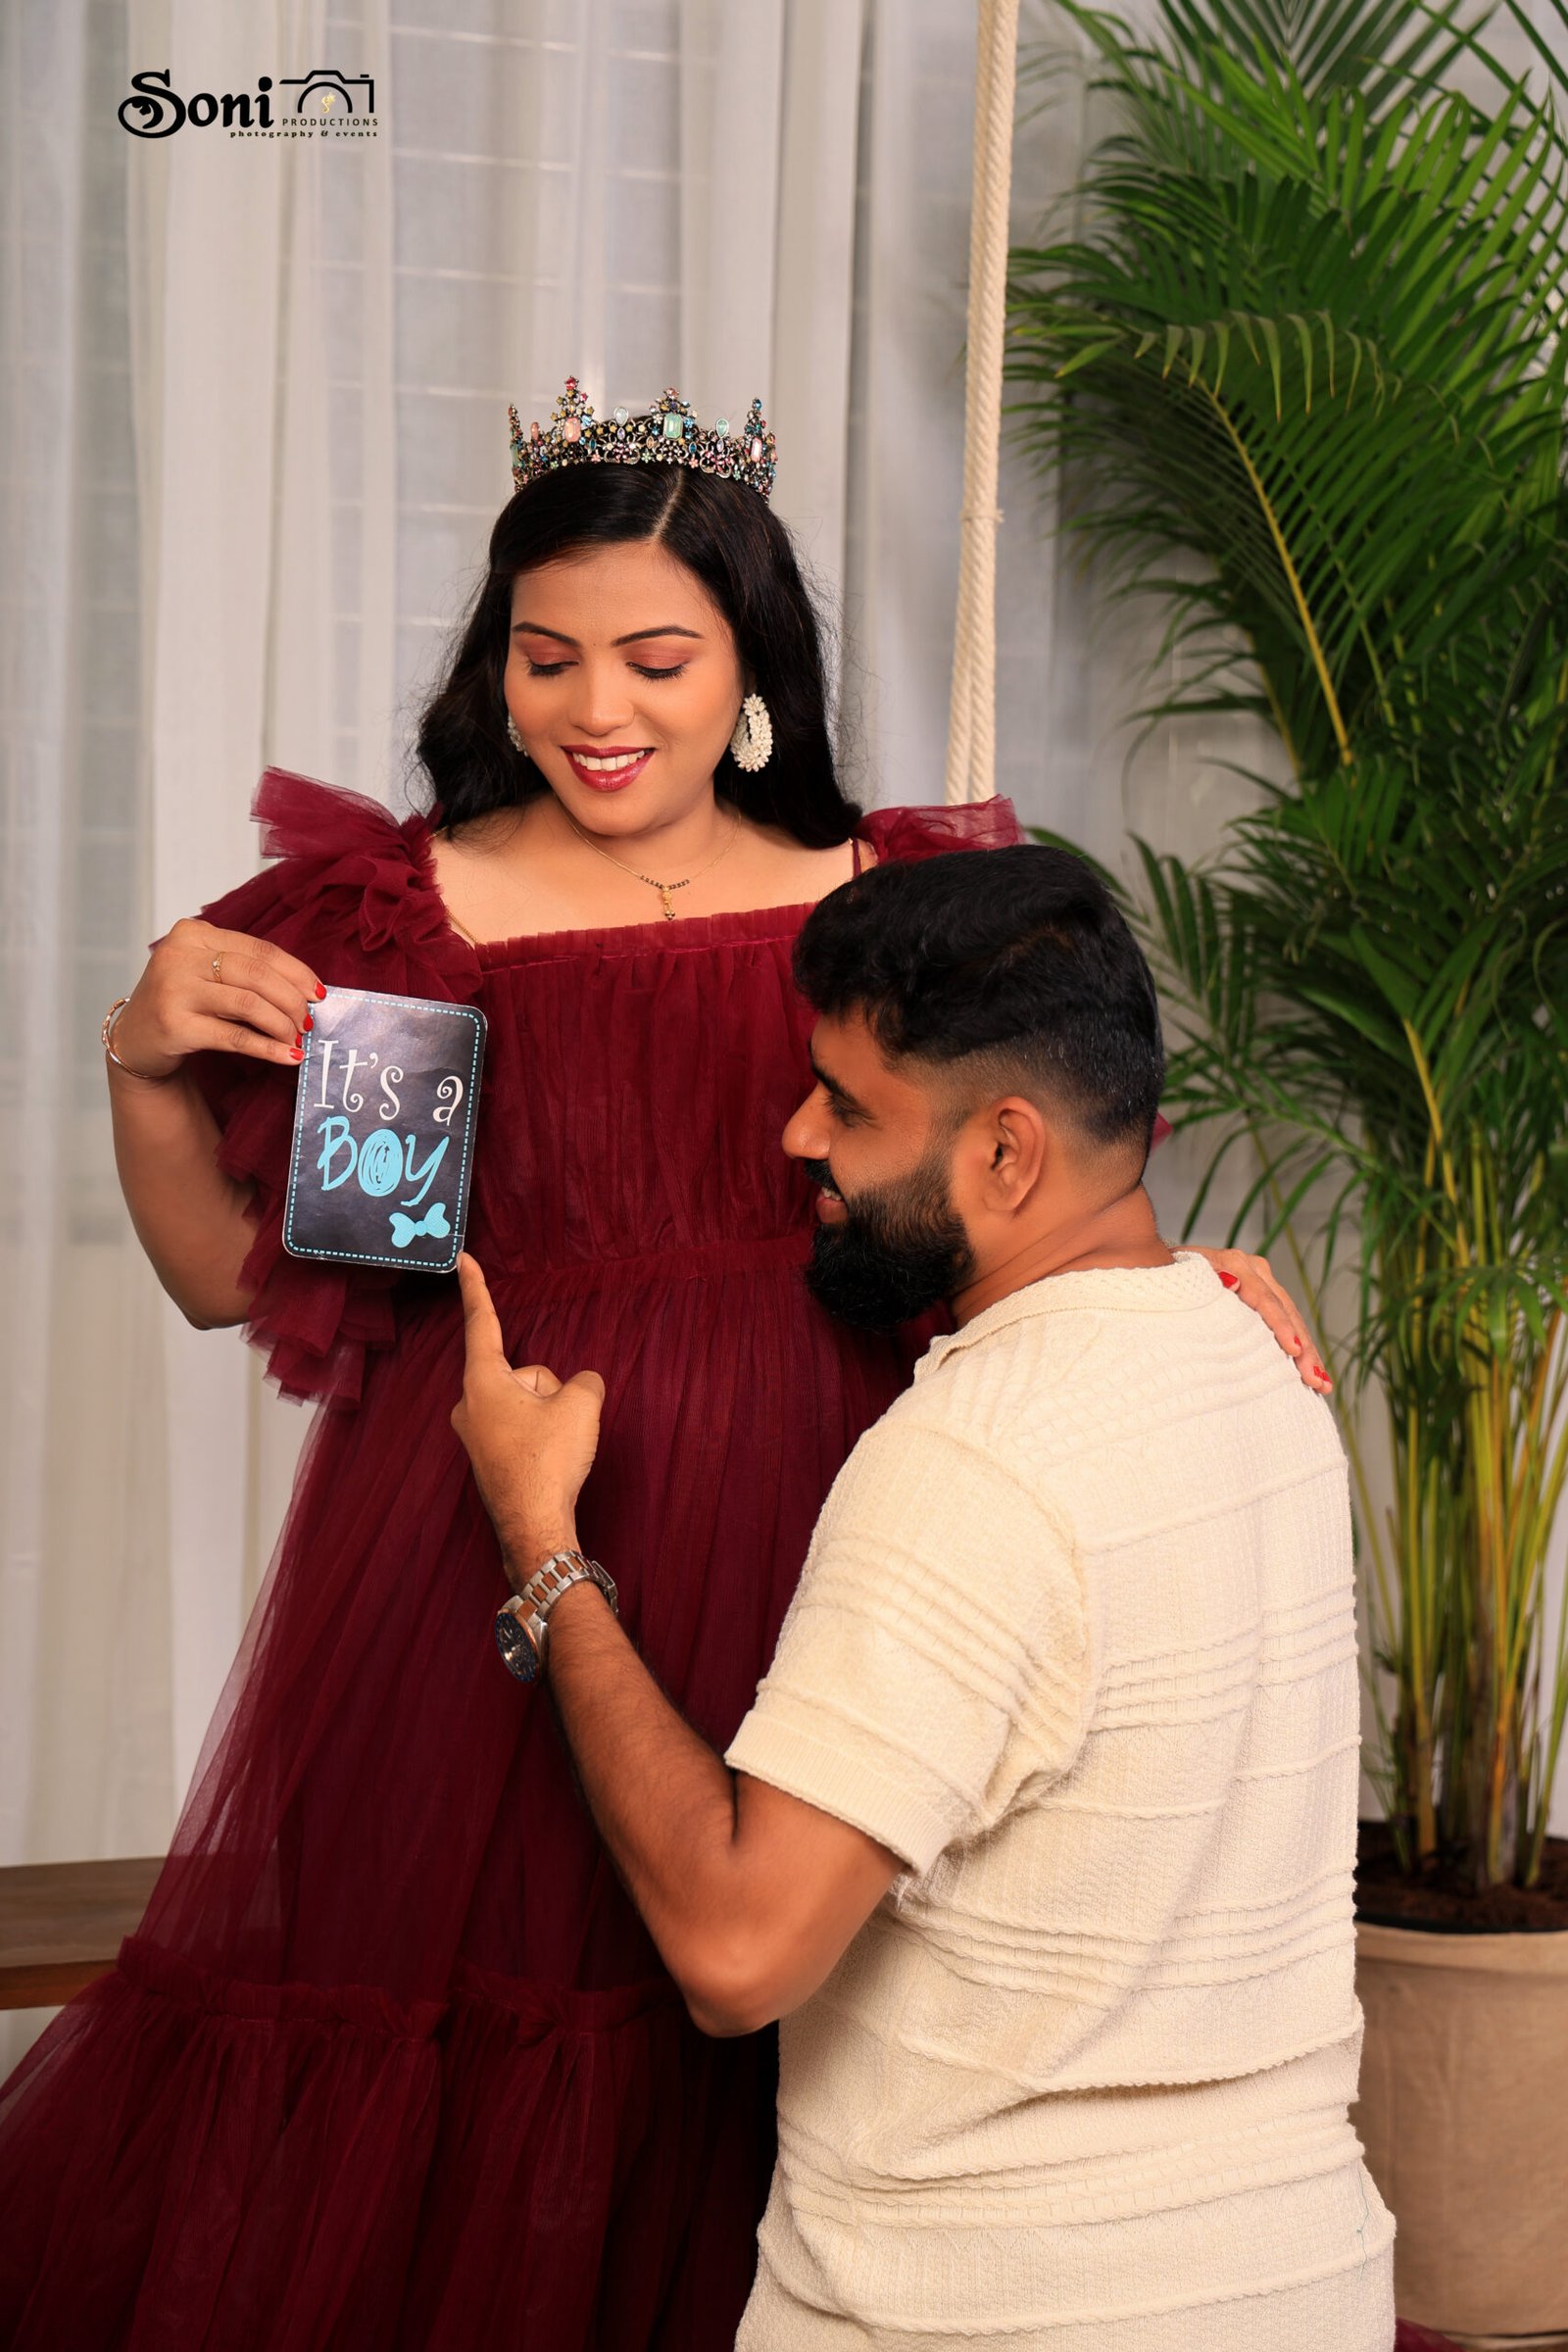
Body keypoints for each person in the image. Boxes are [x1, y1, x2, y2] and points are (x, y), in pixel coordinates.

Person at [0, 383, 1322, 2352]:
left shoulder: (878, 898)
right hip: (492, 1514)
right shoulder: (406, 921)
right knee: (495, 2033)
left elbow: (1017, 1161)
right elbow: (222, 1283)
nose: (595, 707)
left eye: (655, 657)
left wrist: (1171, 1266)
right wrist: (137, 1059)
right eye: (544, 658)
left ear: (751, 669)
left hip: (830, 1519)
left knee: (780, 1984)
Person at [449, 842, 1394, 2352]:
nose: (797, 1135)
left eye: (849, 1108)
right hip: (1297, 2289)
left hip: (991, 2313)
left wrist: (541, 1548)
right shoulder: (1259, 1357)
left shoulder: (970, 1459)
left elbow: (738, 1954)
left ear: (1008, 1155)